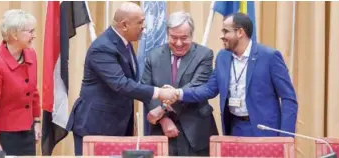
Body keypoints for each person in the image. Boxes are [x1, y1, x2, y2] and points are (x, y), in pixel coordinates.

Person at [65, 2, 179, 155]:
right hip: (96, 126)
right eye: (140, 22)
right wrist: (159, 93)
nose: (144, 26)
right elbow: (121, 84)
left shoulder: (125, 42)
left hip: (117, 124)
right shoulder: (103, 47)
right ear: (124, 25)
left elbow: (133, 83)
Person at [164, 12, 298, 137]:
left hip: (265, 131)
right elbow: (209, 89)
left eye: (226, 31)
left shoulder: (269, 57)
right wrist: (178, 93)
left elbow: (288, 98)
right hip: (235, 129)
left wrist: (285, 137)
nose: (222, 36)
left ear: (240, 32)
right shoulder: (223, 57)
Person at [141, 11, 218, 156]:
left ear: (192, 35)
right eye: (174, 37)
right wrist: (163, 119)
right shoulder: (153, 56)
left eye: (184, 38)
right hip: (160, 130)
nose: (178, 43)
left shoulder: (204, 55)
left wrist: (162, 107)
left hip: (195, 129)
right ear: (167, 34)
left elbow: (196, 86)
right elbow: (146, 90)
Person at [0, 9, 41, 156]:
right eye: (30, 31)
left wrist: (36, 121)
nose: (34, 35)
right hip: (1, 134)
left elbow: (33, 92)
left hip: (26, 132)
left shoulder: (31, 55)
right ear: (14, 35)